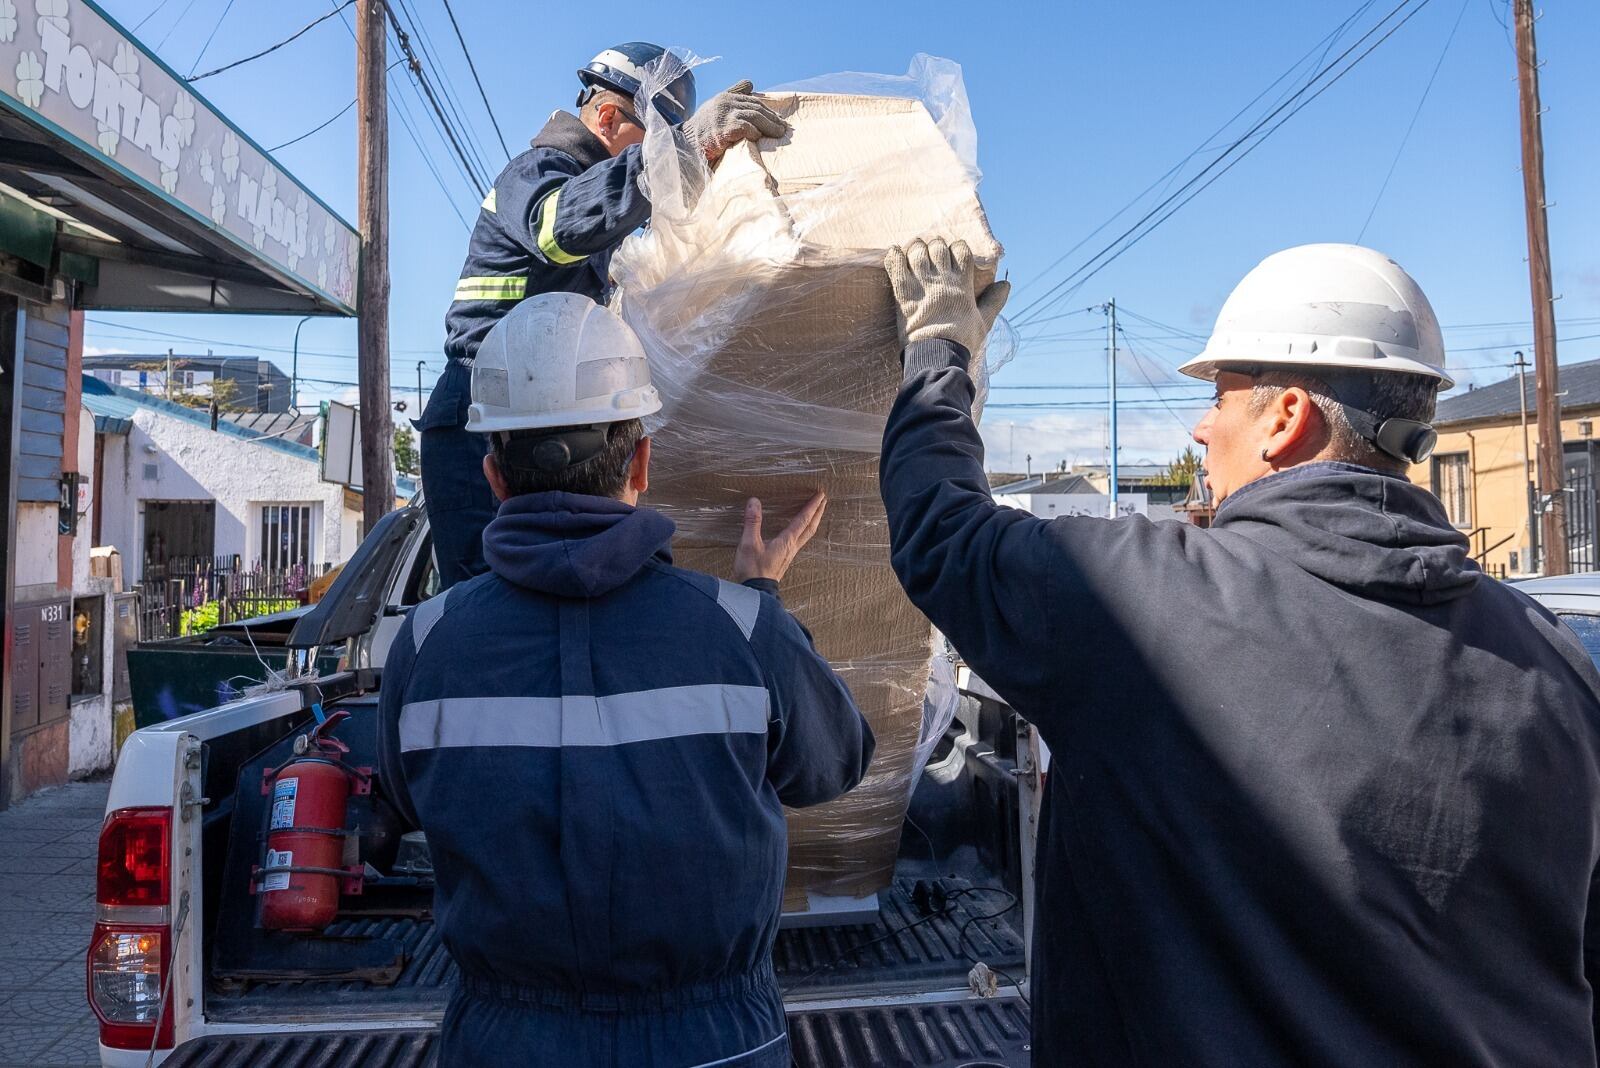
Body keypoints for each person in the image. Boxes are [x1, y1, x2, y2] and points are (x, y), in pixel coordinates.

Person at [877, 238, 1600, 1065]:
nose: (1199, 425)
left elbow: (943, 534)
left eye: (1220, 397)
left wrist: (940, 350)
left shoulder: (1139, 602)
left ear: (1286, 417)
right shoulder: (1554, 663)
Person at [379, 293, 873, 1067]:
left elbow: (405, 799)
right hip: (717, 1049)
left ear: (491, 477)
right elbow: (837, 763)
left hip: (505, 1048)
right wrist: (762, 601)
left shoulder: (427, 645)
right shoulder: (742, 632)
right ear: (643, 462)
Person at [420, 42, 789, 590]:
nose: (660, 155)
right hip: (481, 411)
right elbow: (561, 229)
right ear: (610, 117)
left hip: (534, 411)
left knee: (550, 595)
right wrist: (680, 150)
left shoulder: (601, 200)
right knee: (488, 598)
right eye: (656, 138)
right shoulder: (537, 173)